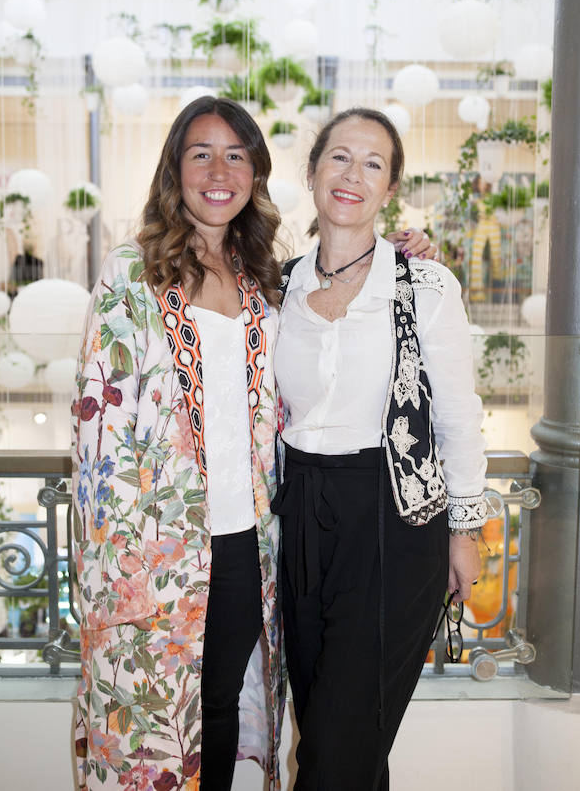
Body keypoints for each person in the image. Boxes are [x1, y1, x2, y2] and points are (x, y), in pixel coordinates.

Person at [71, 96, 435, 791]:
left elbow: (351, 291)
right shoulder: (131, 275)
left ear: (257, 174)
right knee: (150, 724)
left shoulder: (265, 274)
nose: (219, 169)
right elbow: (98, 429)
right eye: (200, 152)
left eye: (237, 155)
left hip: (247, 545)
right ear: (174, 168)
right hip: (155, 551)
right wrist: (114, 559)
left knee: (213, 713)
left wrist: (408, 253)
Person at [272, 107, 487, 791]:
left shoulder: (424, 284)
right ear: (311, 172)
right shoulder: (275, 287)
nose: (352, 175)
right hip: (300, 513)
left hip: (396, 521)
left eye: (373, 164)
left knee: (332, 757)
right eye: (339, 157)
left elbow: (457, 412)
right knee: (340, 735)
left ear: (390, 187)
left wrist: (467, 527)